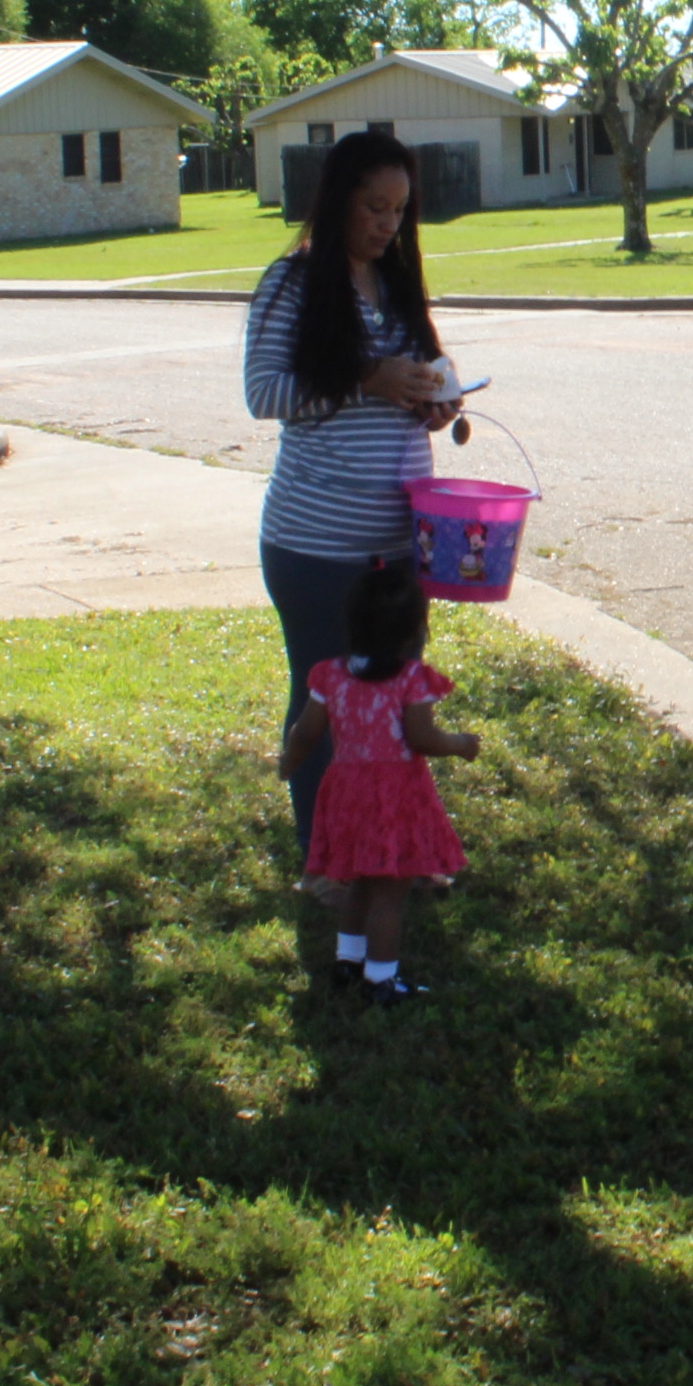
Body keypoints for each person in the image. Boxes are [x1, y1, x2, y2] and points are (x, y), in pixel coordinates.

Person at [246, 132, 459, 867]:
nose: (386, 224)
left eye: (398, 210)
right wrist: (368, 380)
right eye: (374, 207)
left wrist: (436, 400)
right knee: (327, 705)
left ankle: (390, 852)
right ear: (338, 200)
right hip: (315, 545)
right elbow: (264, 394)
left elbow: (423, 374)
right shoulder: (294, 283)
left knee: (397, 708)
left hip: (400, 545)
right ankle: (324, 857)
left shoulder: (395, 282)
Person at [283, 563, 480, 1006]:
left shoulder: (330, 675)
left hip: (346, 793)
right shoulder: (412, 680)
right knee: (390, 894)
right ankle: (381, 980)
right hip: (395, 797)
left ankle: (347, 961)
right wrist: (461, 744)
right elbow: (422, 738)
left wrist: (289, 762)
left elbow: (306, 731)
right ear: (414, 633)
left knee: (359, 881)